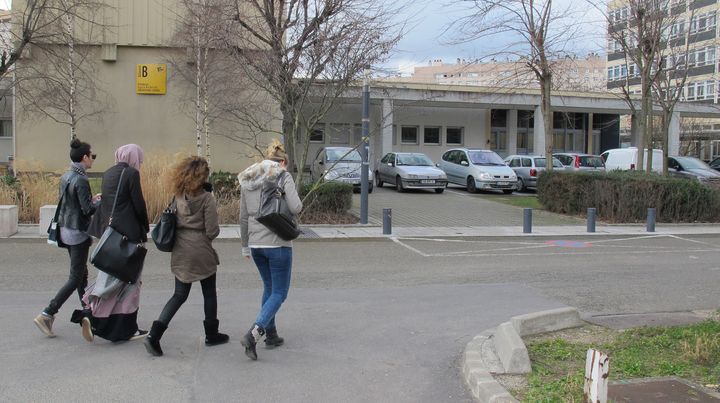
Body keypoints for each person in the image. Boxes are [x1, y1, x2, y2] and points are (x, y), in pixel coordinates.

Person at [144, 156, 228, 357]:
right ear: (203, 177)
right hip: (201, 251)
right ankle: (212, 334)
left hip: (180, 250)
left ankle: (154, 336)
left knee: (179, 295)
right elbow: (212, 231)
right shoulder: (207, 198)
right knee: (209, 293)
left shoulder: (178, 195)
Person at [238, 140, 302, 360]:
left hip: (256, 245)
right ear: (282, 161)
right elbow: (296, 207)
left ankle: (272, 334)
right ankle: (254, 333)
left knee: (269, 287)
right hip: (277, 243)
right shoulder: (282, 176)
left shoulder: (248, 178)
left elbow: (243, 217)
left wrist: (245, 246)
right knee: (280, 293)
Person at [81, 144, 150, 342]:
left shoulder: (109, 172)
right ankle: (124, 327)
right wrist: (145, 227)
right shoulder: (131, 174)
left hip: (111, 235)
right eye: (140, 159)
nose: (141, 163)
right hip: (130, 236)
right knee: (130, 283)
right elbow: (138, 204)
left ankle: (93, 314)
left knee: (110, 278)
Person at [34, 138, 100, 337]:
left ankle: (88, 314)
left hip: (65, 229)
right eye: (92, 156)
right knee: (75, 277)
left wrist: (90, 200)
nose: (93, 160)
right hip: (77, 233)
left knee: (81, 274)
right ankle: (48, 313)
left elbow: (73, 204)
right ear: (84, 157)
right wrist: (99, 202)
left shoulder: (67, 176)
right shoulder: (81, 179)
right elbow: (87, 209)